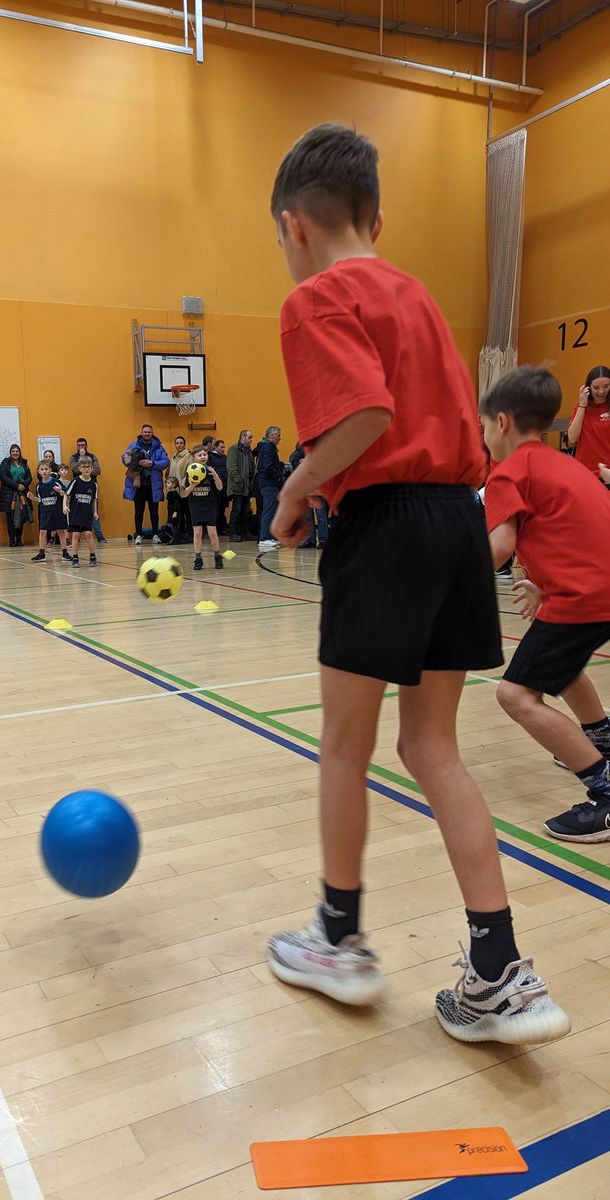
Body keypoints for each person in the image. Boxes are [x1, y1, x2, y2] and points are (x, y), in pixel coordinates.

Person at [265, 123, 569, 1045]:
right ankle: (498, 971)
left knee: (345, 749)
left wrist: (294, 490)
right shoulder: (420, 297)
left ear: (293, 227)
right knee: (433, 748)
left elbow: (363, 412)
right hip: (456, 521)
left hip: (389, 527)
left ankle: (342, 940)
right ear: (378, 217)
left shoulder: (317, 297)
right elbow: (459, 432)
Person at [480, 366, 610, 844]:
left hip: (585, 597)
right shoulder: (564, 463)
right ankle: (604, 740)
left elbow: (498, 548)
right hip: (599, 590)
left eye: (483, 425)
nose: (483, 435)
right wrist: (543, 583)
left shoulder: (506, 472)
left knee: (515, 695)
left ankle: (606, 793)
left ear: (502, 423)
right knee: (563, 667)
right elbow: (576, 528)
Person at [122, 423, 169, 544]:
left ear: (152, 433)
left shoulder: (159, 447)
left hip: (154, 485)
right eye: (145, 432)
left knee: (154, 511)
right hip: (138, 485)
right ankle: (138, 535)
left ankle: (155, 535)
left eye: (149, 432)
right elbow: (124, 458)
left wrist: (152, 463)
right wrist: (138, 462)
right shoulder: (134, 445)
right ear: (141, 433)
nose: (147, 434)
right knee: (139, 511)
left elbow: (165, 462)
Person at [180, 445, 223, 570]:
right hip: (196, 506)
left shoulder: (210, 470)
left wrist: (214, 474)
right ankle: (198, 559)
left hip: (210, 505)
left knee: (212, 533)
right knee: (197, 533)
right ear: (194, 458)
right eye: (199, 455)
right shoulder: (191, 471)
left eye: (204, 454)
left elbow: (220, 488)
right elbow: (185, 493)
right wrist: (194, 485)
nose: (203, 457)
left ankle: (217, 557)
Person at [564, 365, 610, 481]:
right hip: (585, 473)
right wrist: (582, 405)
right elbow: (572, 438)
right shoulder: (581, 407)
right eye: (596, 387)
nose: (601, 391)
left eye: (606, 386)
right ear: (588, 387)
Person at [289, 443, 329, 547]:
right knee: (308, 517)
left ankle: (323, 540)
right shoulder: (300, 450)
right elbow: (293, 461)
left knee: (321, 517)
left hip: (318, 489)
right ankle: (311, 540)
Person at [30, 460, 71, 562]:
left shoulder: (56, 482)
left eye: (46, 469)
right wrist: (33, 498)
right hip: (45, 512)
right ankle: (41, 554)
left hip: (57, 511)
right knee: (43, 532)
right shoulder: (39, 486)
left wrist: (60, 491)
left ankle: (65, 553)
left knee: (61, 531)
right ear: (38, 471)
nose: (44, 471)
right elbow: (40, 500)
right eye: (42, 469)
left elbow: (66, 493)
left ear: (50, 470)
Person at [63, 455, 99, 567]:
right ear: (80, 468)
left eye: (89, 467)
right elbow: (66, 494)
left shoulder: (94, 484)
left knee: (88, 534)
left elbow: (94, 500)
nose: (87, 469)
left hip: (87, 514)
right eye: (84, 467)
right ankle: (75, 557)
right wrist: (64, 506)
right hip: (75, 513)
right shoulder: (75, 481)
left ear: (92, 468)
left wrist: (95, 512)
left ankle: (92, 556)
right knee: (76, 535)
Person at [69, 438, 107, 542]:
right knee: (78, 511)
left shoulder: (92, 456)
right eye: (79, 445)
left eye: (83, 445)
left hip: (91, 486)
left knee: (94, 511)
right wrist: (81, 457)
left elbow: (98, 470)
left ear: (86, 446)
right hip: (79, 488)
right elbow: (75, 469)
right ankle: (78, 536)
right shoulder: (73, 457)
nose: (81, 447)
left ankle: (99, 535)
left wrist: (87, 472)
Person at [0, 443, 32, 547]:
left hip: (23, 493)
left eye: (17, 451)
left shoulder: (24, 463)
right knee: (11, 518)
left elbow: (29, 477)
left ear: (19, 452)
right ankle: (12, 540)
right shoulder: (5, 463)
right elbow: (3, 476)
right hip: (9, 494)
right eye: (13, 451)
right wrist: (16, 485)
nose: (15, 453)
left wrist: (23, 485)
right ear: (10, 453)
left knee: (22, 516)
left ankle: (19, 539)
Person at [256, 426, 284, 550]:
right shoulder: (268, 447)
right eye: (278, 435)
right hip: (269, 483)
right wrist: (278, 476)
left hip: (267, 483)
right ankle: (264, 538)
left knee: (271, 510)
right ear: (271, 435)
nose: (279, 438)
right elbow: (268, 466)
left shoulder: (265, 446)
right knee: (268, 510)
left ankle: (269, 536)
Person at [227, 429, 256, 541]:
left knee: (246, 510)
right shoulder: (234, 449)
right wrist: (239, 480)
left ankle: (245, 532)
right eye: (249, 437)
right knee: (237, 510)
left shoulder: (249, 451)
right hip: (238, 486)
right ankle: (233, 533)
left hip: (247, 486)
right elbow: (231, 468)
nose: (251, 440)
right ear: (243, 437)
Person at [166, 435, 194, 542]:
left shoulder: (188, 456)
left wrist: (183, 484)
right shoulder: (173, 457)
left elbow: (190, 472)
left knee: (187, 513)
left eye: (181, 443)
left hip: (184, 491)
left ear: (184, 444)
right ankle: (181, 534)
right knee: (178, 514)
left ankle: (190, 534)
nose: (179, 445)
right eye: (177, 443)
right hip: (175, 492)